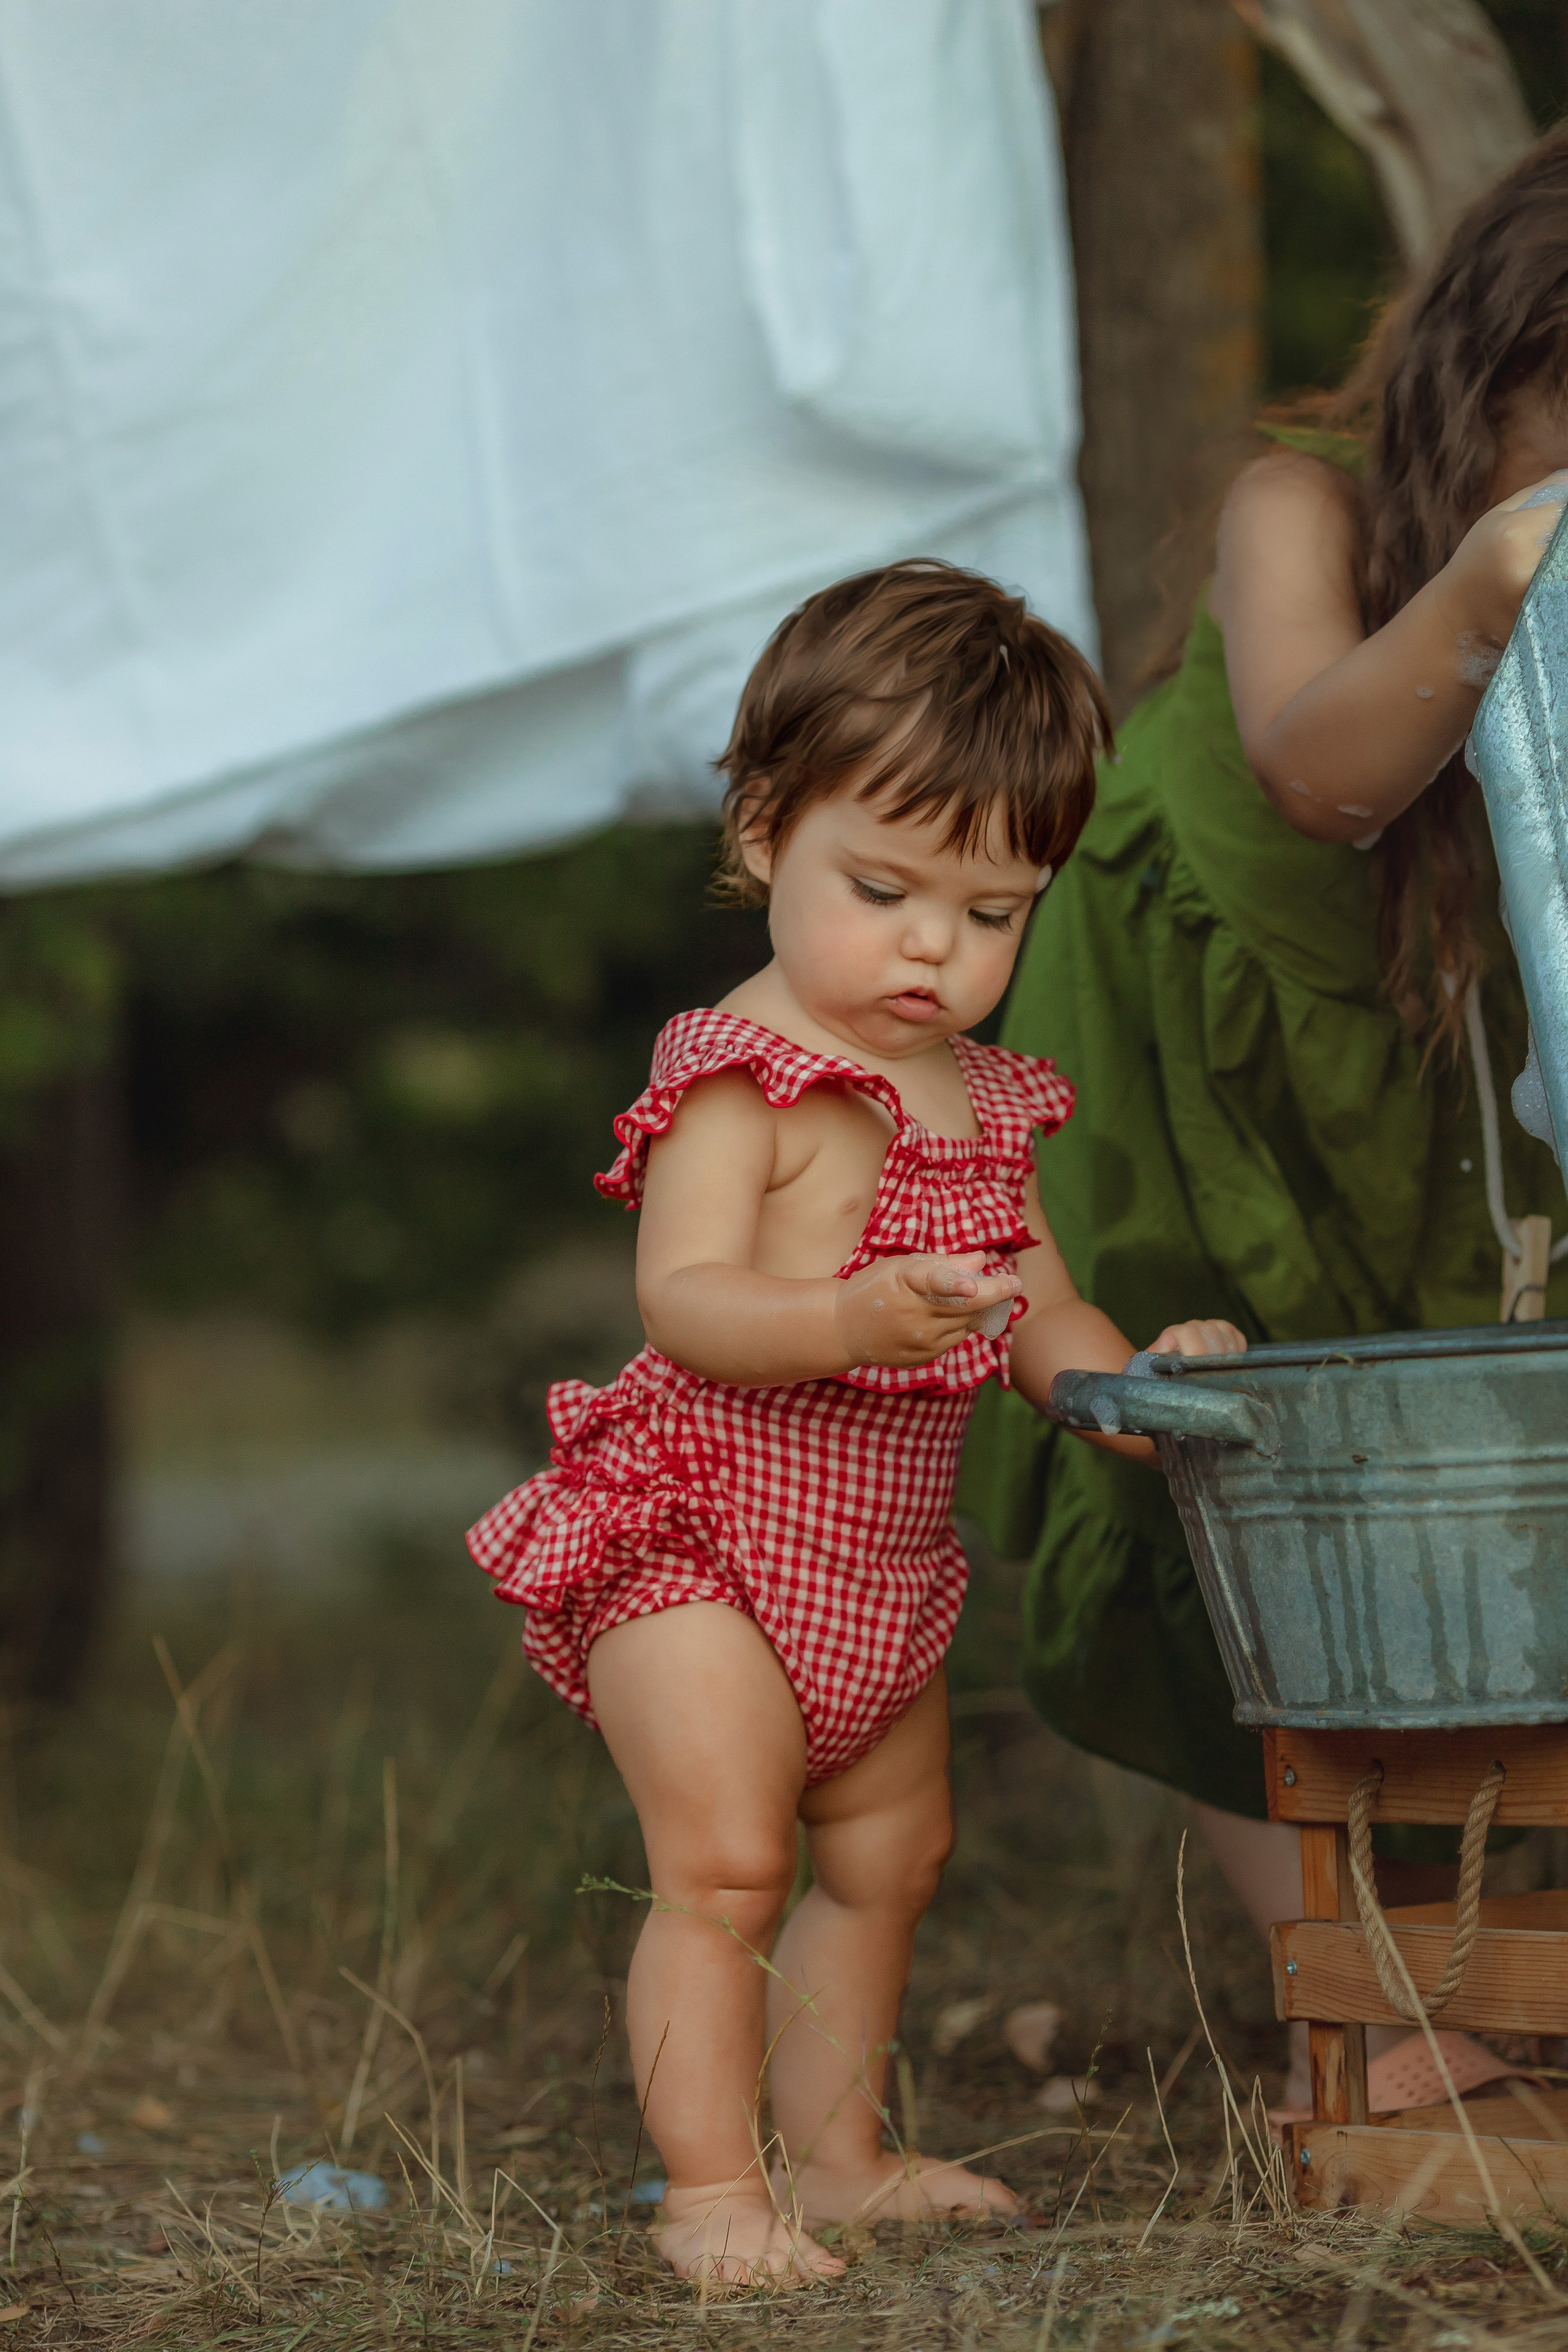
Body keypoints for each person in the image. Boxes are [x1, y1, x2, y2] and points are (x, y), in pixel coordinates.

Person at [468, 562, 1243, 2289]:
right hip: (705, 1540)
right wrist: (848, 1319)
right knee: (732, 1867)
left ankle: (836, 2160)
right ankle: (710, 2195)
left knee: (891, 1859)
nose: (932, 950)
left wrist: (1136, 1395)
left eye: (990, 914)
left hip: (878, 1567)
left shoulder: (982, 1095)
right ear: (764, 831)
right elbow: (686, 1299)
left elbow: (1042, 1307)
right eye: (883, 889)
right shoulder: (741, 1067)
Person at [963, 127, 1568, 2116]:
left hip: (1409, 1074)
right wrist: (1504, 557)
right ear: (1494, 378)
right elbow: (1324, 772)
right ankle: (1377, 2025)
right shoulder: (1293, 508)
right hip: (1184, 1037)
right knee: (1203, 1448)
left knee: (1432, 1487)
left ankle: (1444, 1979)